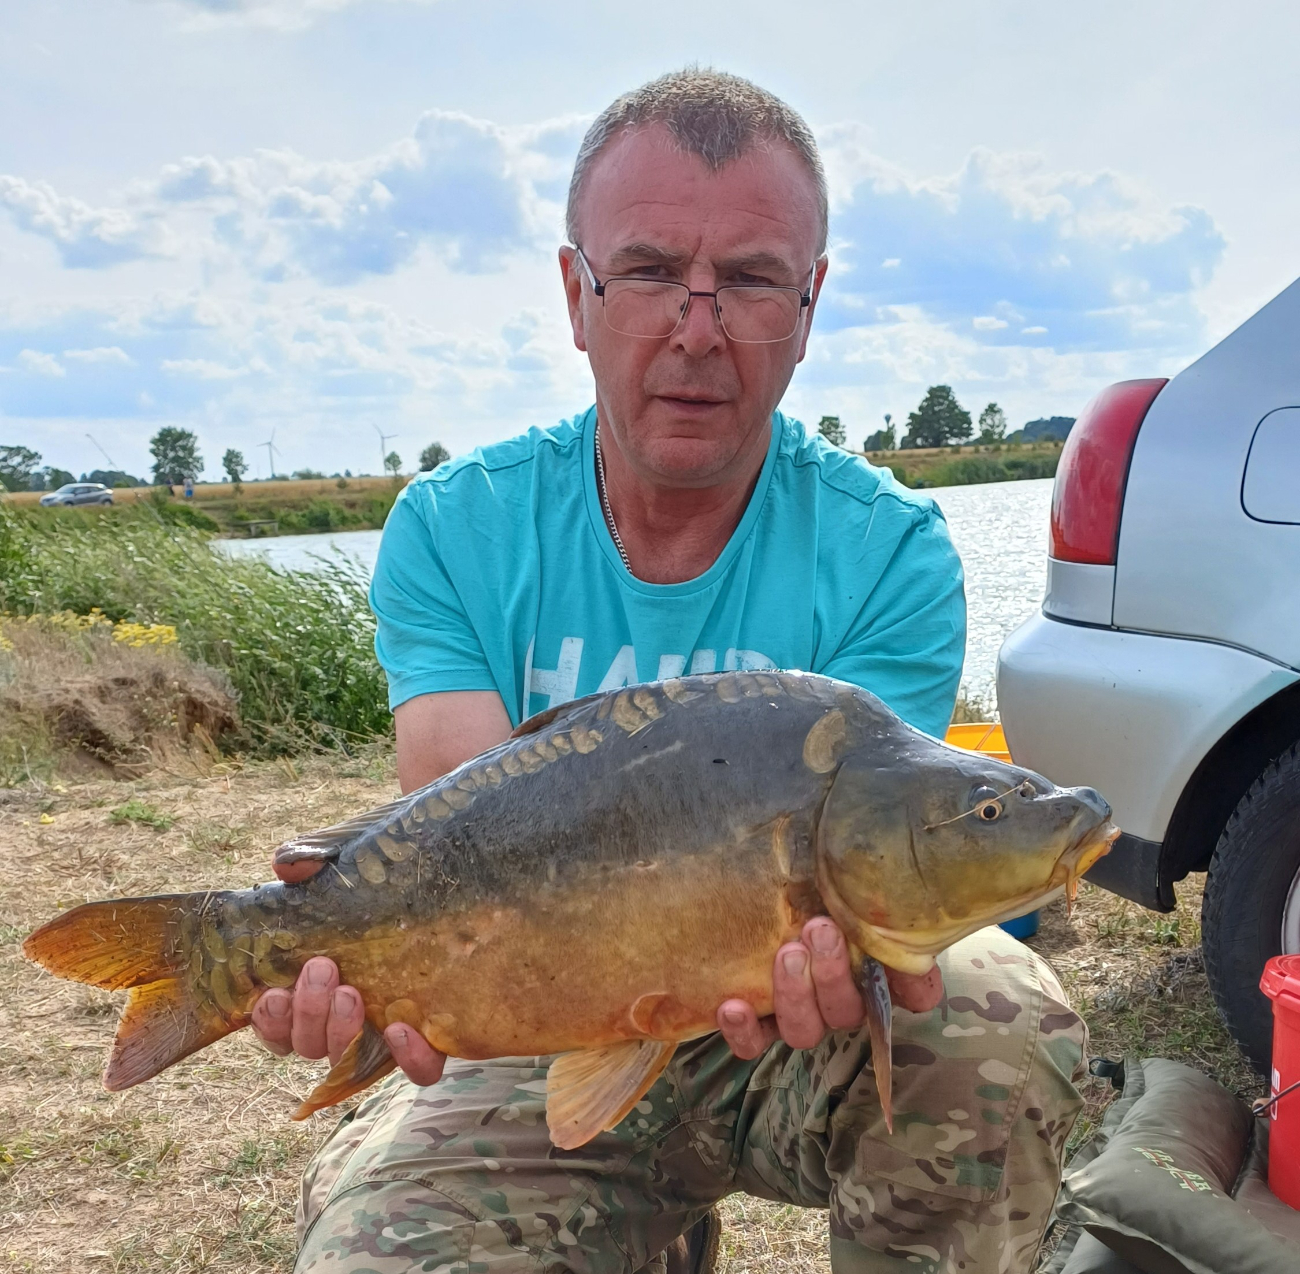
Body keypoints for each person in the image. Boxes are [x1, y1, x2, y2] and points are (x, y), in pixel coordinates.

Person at [251, 69, 1086, 1273]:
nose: (696, 328)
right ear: (575, 294)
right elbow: (449, 830)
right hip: (534, 1024)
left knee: (1000, 1010)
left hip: (799, 1027)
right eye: (647, 271)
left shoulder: (885, 548)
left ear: (807, 306)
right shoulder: (456, 524)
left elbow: (889, 851)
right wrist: (350, 965)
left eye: (748, 280)